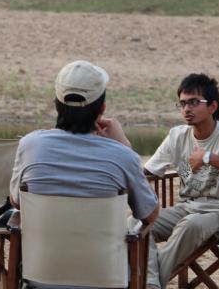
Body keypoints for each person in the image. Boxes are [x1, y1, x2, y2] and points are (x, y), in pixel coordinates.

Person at [10, 60, 159, 288]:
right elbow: (149, 215)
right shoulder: (122, 156)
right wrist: (126, 147)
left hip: (41, 277)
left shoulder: (30, 146)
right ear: (102, 109)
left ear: (56, 104)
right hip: (105, 279)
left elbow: (17, 201)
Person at [145, 73, 219, 289]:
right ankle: (150, 281)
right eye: (182, 103)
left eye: (193, 102)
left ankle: (146, 284)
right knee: (137, 224)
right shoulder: (177, 136)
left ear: (212, 106)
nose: (186, 109)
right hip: (187, 207)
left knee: (190, 225)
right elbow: (149, 171)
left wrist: (209, 158)